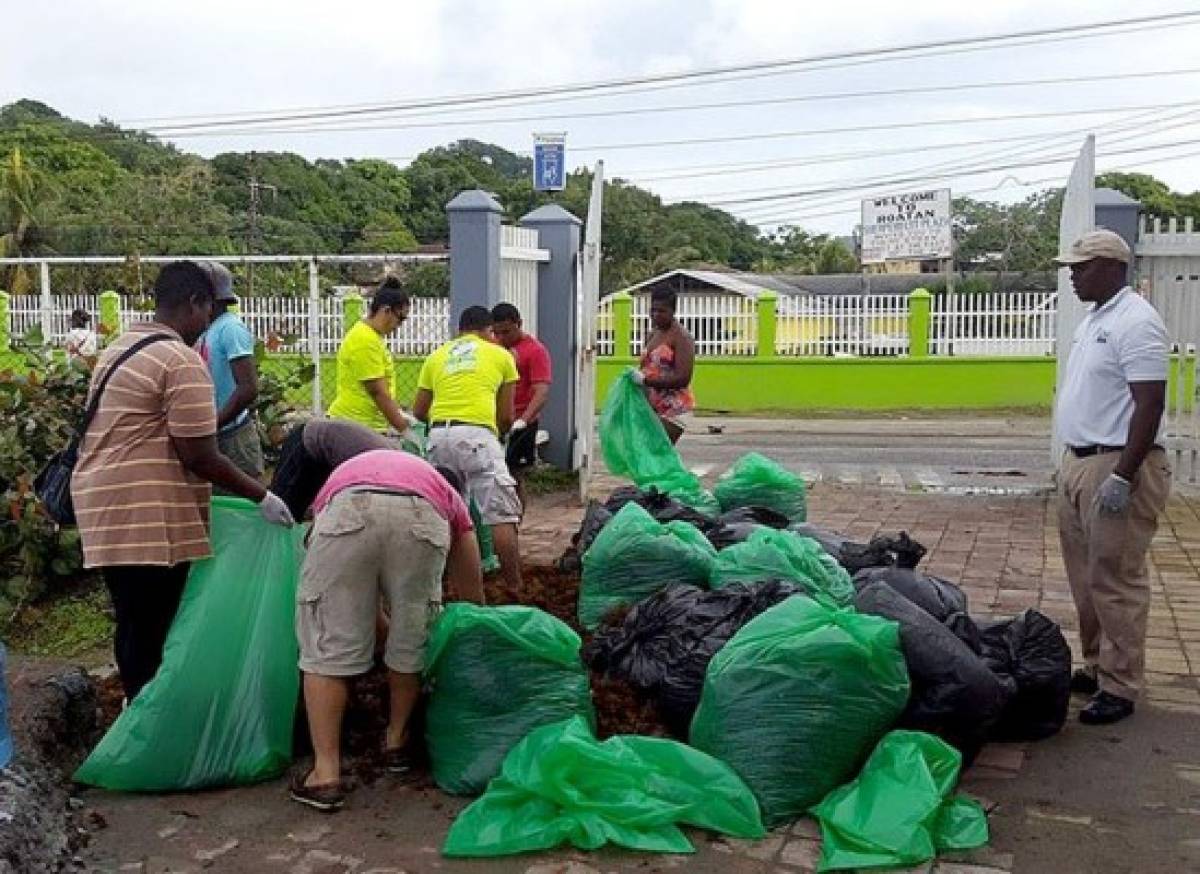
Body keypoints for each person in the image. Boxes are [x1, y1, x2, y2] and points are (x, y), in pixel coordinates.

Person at [71, 261, 294, 702]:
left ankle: (137, 720)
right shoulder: (179, 359)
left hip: (103, 506)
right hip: (145, 514)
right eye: (207, 310)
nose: (208, 322)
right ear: (195, 303)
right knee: (154, 626)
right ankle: (151, 729)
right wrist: (261, 495)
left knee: (133, 624)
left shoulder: (122, 346)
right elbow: (200, 455)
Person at [290, 449, 483, 811]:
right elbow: (467, 549)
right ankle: (396, 741)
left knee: (328, 644)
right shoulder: (444, 490)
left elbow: (349, 582)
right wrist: (477, 614)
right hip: (423, 521)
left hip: (349, 509)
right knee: (411, 639)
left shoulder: (355, 468)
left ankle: (325, 774)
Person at [1055, 229, 1170, 726]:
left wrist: (1124, 476)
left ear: (1113, 267)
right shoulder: (1094, 320)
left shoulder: (1137, 322)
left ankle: (1120, 684)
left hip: (1117, 462)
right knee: (1085, 577)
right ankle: (1098, 664)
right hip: (1080, 462)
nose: (1074, 275)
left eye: (1082, 267)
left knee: (1116, 578)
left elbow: (1150, 403)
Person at [413, 306, 523, 588]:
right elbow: (507, 416)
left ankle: (450, 585)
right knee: (500, 512)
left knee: (452, 514)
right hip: (477, 436)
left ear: (459, 331)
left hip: (438, 437)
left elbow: (419, 411)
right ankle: (514, 586)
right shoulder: (501, 355)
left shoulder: (437, 356)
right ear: (488, 331)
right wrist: (499, 434)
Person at [195, 262, 263, 481]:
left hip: (233, 438)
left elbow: (248, 387)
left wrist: (214, 424)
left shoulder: (230, 328)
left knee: (240, 506)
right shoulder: (205, 330)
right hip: (212, 435)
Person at [327, 277, 416, 437]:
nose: (399, 326)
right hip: (355, 426)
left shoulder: (372, 338)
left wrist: (399, 414)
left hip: (365, 426)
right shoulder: (365, 340)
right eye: (400, 318)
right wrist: (405, 429)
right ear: (386, 310)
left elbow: (384, 389)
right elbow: (378, 392)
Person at [270, 418, 395, 521]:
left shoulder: (393, 464)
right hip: (309, 441)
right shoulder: (386, 471)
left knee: (302, 509)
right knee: (281, 508)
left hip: (331, 449)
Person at [490, 302, 552, 508]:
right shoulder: (493, 349)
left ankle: (515, 524)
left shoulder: (535, 351)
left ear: (519, 324)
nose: (501, 338)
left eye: (506, 332)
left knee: (514, 476)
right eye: (496, 333)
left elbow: (541, 391)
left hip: (521, 422)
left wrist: (524, 420)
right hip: (496, 420)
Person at [631, 288, 695, 444]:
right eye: (652, 310)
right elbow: (647, 367)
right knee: (645, 456)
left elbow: (683, 378)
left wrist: (647, 382)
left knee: (654, 453)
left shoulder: (681, 337)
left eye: (661, 311)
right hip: (652, 407)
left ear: (673, 311)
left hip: (674, 410)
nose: (655, 315)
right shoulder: (652, 334)